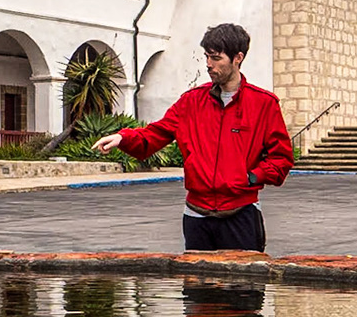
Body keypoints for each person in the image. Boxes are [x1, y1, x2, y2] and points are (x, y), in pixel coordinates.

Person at [95, 22, 293, 252]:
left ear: (237, 58)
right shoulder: (191, 101)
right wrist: (124, 138)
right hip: (196, 217)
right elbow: (156, 133)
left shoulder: (263, 104)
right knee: (197, 276)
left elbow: (281, 158)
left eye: (216, 58)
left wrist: (250, 177)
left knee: (245, 277)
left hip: (241, 215)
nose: (209, 64)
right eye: (207, 56)